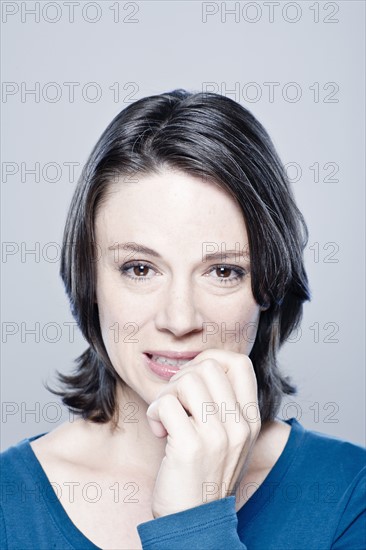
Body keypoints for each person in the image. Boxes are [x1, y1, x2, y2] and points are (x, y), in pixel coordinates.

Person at [1, 89, 365, 550]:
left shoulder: (351, 496)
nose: (179, 319)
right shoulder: (7, 502)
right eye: (140, 269)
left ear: (269, 287)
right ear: (90, 280)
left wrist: (195, 523)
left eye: (223, 271)